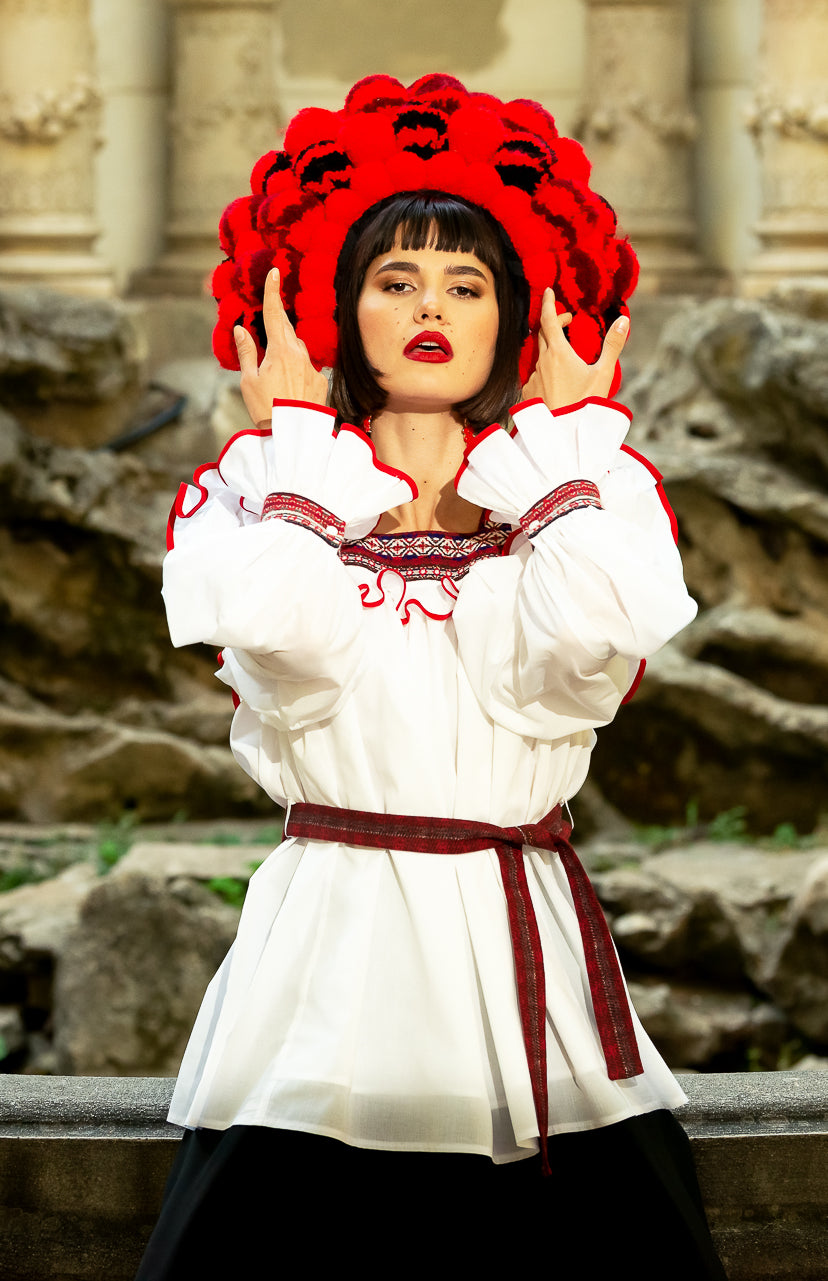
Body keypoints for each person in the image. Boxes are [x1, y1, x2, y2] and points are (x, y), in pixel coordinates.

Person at [137, 74, 727, 1279]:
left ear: (515, 317)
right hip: (330, 947)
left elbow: (598, 645)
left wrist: (563, 447)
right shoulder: (259, 491)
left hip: (524, 951)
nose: (430, 308)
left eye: (467, 285)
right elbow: (274, 635)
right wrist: (299, 442)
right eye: (395, 280)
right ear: (338, 308)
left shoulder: (585, 491)